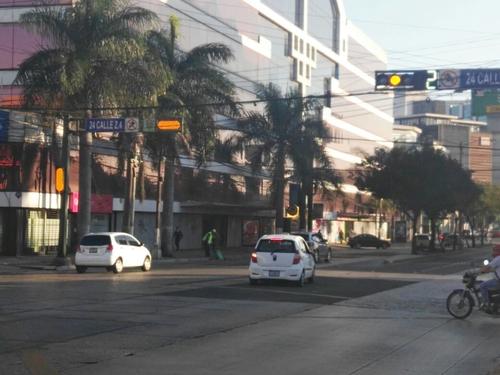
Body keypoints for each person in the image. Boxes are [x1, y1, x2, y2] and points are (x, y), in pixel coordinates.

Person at [479, 245, 500, 311]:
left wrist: (480, 271)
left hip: (498, 281)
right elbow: (494, 269)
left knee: (482, 285)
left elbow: (487, 267)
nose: (493, 252)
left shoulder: (498, 258)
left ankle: (486, 304)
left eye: (494, 250)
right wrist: (487, 270)